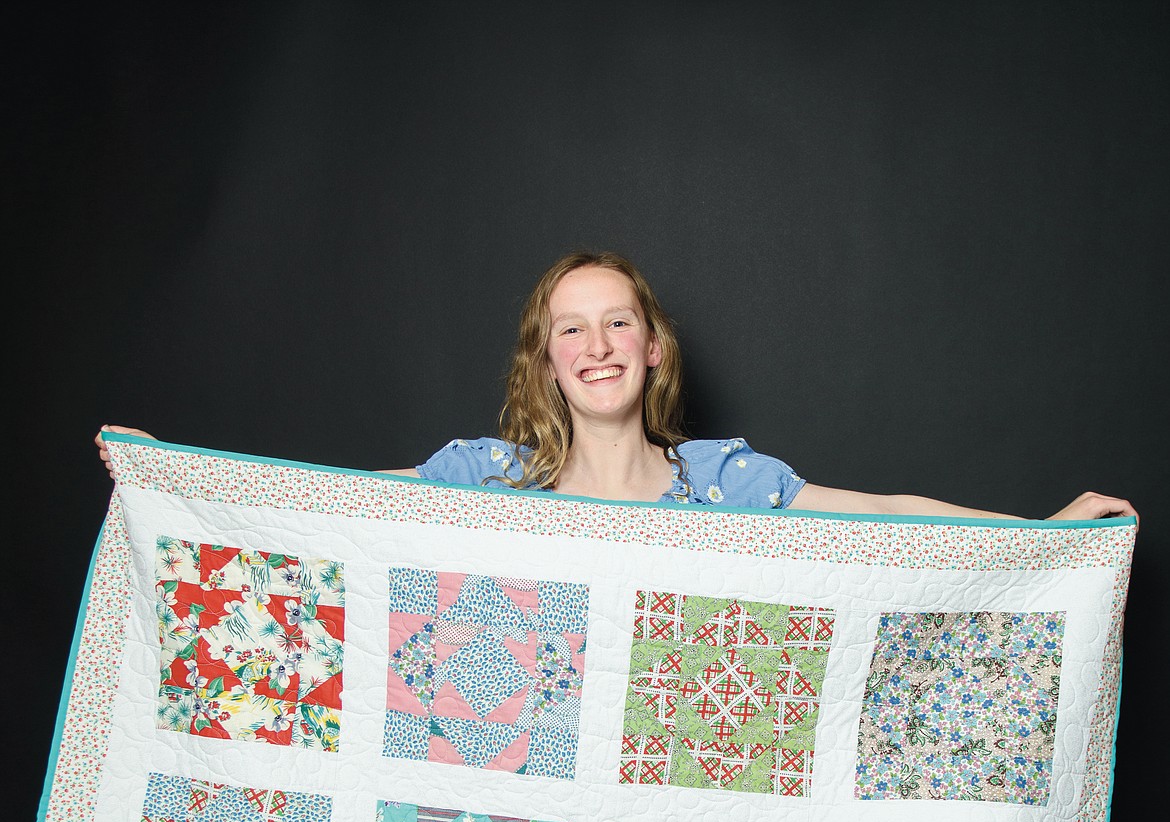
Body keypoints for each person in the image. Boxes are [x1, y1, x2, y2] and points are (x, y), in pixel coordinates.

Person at [97, 249, 1136, 523]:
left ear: (650, 350)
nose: (595, 345)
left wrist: (1043, 534)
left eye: (617, 323)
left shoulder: (725, 482)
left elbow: (884, 514)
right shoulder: (484, 477)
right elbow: (329, 501)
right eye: (570, 329)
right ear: (546, 359)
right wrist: (170, 479)